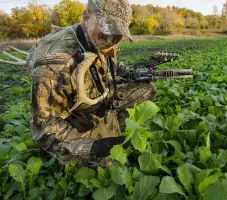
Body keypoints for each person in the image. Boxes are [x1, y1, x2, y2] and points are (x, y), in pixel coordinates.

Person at [27, 0, 156, 167]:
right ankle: (92, 142)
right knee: (112, 164)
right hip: (72, 117)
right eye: (106, 30)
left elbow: (112, 64)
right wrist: (94, 147)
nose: (111, 40)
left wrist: (131, 73)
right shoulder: (54, 63)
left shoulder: (107, 40)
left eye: (118, 34)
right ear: (86, 17)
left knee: (147, 90)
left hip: (97, 97)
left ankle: (114, 130)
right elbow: (45, 130)